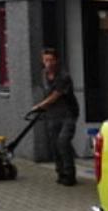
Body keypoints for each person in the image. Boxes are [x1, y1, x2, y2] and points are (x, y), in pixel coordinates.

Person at [32, 47, 80, 186]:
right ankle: (61, 173)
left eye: (51, 60)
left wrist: (40, 106)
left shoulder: (64, 76)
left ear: (57, 60)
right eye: (46, 60)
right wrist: (44, 109)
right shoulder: (44, 74)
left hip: (68, 113)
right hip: (52, 114)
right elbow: (46, 93)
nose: (49, 63)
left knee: (63, 142)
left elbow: (55, 95)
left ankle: (70, 175)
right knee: (55, 144)